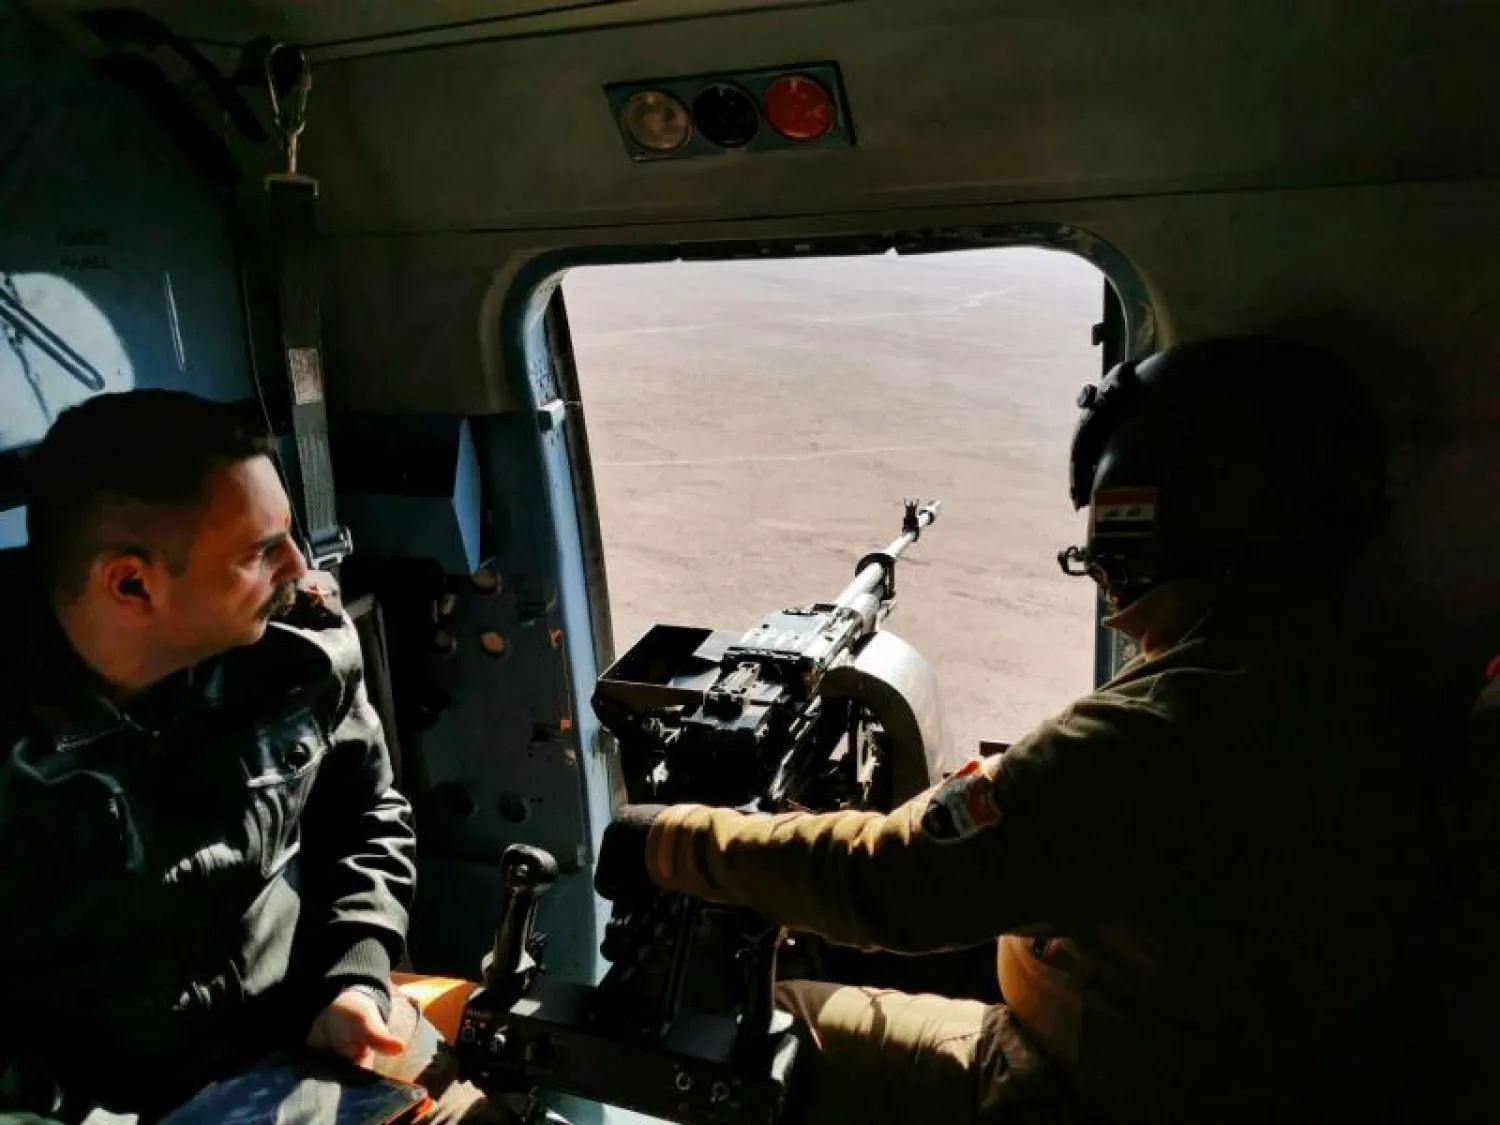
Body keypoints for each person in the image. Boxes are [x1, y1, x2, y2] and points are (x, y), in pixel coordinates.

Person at [594, 336, 1432, 1124]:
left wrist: (669, 842)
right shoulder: (1330, 660)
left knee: (766, 1018)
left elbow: (893, 879)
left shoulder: (1162, 731)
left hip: (1091, 1088)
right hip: (1208, 1047)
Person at [0, 391, 488, 1123]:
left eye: (288, 535)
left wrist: (351, 976)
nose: (300, 568)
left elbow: (365, 810)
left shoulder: (300, 658)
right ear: (131, 583)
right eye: (261, 551)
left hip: (309, 1033)